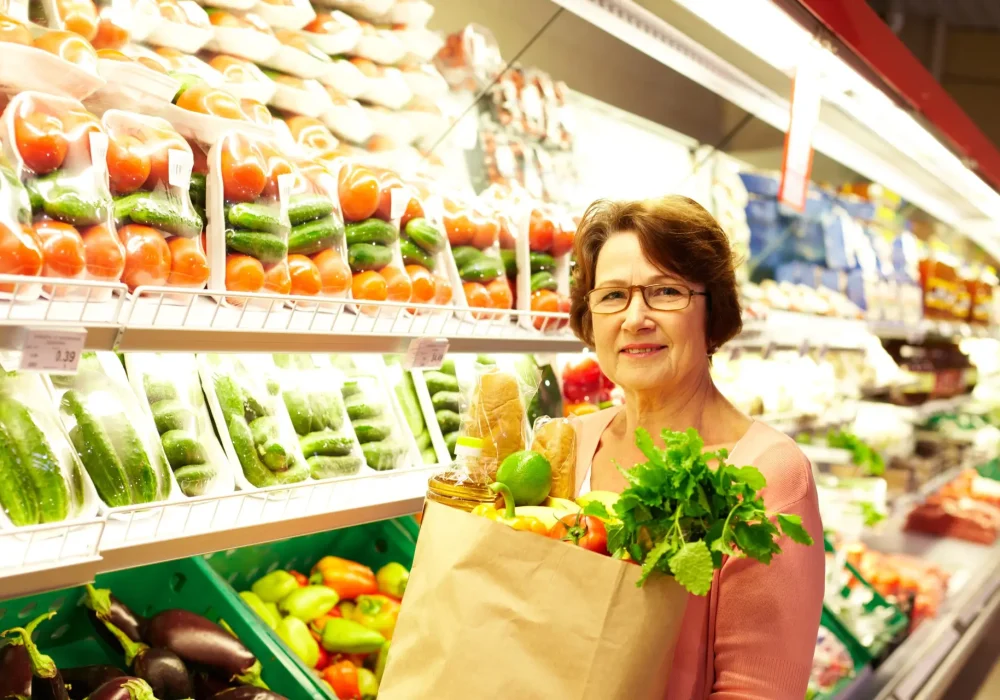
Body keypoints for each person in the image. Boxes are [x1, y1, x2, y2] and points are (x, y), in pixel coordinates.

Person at [569, 195, 824, 699]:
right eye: (613, 295)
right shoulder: (570, 443)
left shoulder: (768, 476)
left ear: (712, 311)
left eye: (665, 292)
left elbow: (756, 691)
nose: (635, 317)